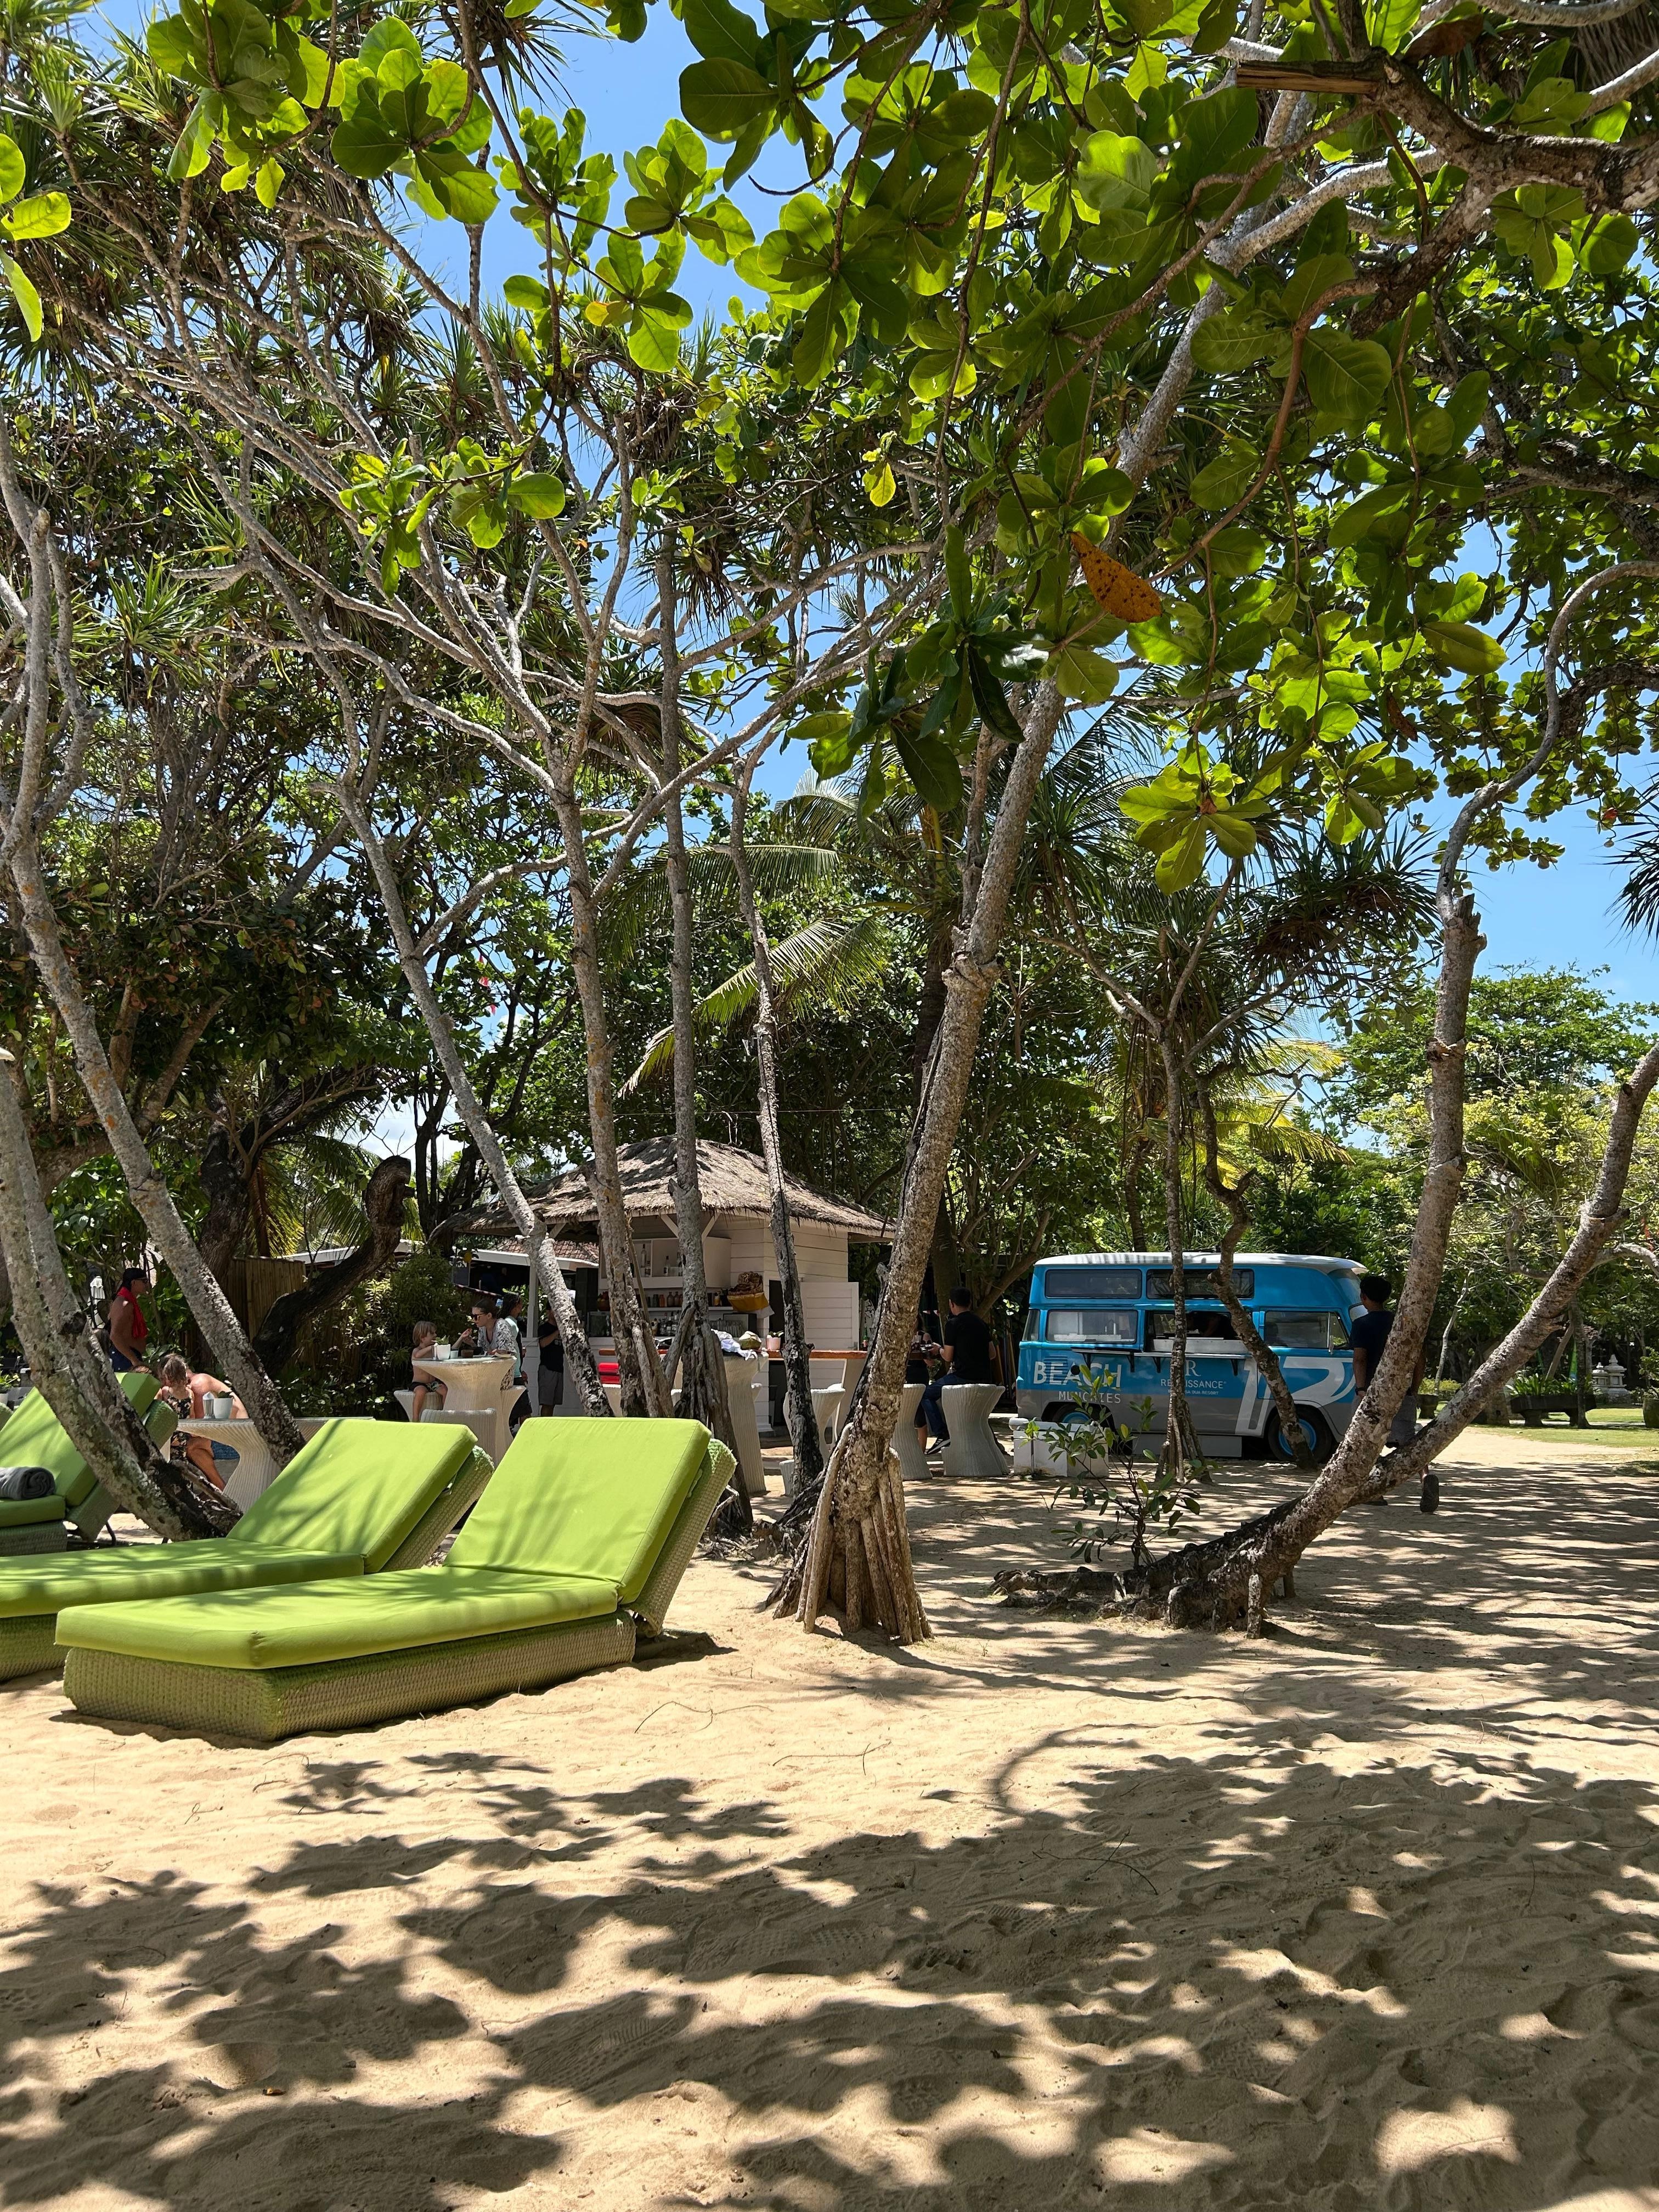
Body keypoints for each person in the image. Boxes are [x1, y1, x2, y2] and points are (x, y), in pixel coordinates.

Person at [1350, 1272, 1437, 1511]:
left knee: (1366, 1440)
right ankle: (1426, 1477)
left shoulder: (1361, 1325)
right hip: (1403, 1391)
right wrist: (1414, 1389)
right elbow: (1420, 1360)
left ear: (1363, 1297)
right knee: (1409, 1440)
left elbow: (1360, 1359)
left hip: (1373, 1392)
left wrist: (1361, 1388)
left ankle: (1375, 1490)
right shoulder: (1402, 1323)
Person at [915, 1286, 994, 1453]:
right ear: (970, 1303)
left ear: (951, 1304)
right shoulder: (981, 1323)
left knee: (926, 1394)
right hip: (985, 1379)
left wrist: (939, 1349)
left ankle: (942, 1433)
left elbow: (948, 1357)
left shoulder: (953, 1324)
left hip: (963, 1377)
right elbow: (992, 1354)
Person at [158, 1353, 243, 1488]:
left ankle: (220, 1487)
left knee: (191, 1445)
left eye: (163, 1379)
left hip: (236, 1445)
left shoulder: (197, 1385)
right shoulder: (194, 1385)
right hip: (231, 1437)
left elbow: (199, 1430)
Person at [106, 1267, 151, 1372]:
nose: (147, 1284)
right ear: (133, 1283)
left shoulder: (128, 1301)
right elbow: (114, 1335)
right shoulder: (125, 1304)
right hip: (124, 1357)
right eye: (144, 1281)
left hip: (129, 1355)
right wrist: (134, 1360)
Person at [410, 1321, 448, 1422]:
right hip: (419, 1383)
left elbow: (450, 1350)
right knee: (421, 1391)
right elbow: (417, 1355)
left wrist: (461, 1338)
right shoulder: (417, 1350)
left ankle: (444, 1415)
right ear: (422, 1338)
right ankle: (415, 1418)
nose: (435, 1335)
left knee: (444, 1390)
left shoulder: (433, 1351)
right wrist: (431, 1347)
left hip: (432, 1383)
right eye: (432, 1334)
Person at [537, 1314, 565, 1414]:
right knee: (546, 1403)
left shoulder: (562, 1329)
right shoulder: (544, 1328)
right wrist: (557, 1332)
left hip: (559, 1368)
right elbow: (543, 1343)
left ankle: (549, 1422)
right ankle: (544, 1423)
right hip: (547, 1368)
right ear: (549, 1311)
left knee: (553, 1403)